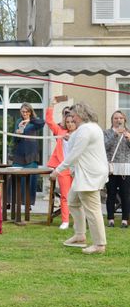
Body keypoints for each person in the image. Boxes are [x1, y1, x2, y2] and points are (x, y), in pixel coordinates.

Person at [50, 102, 108, 254]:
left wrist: (58, 170)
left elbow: (75, 154)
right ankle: (80, 235)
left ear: (81, 114)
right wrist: (69, 136)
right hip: (85, 173)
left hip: (89, 174)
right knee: (73, 201)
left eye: (73, 114)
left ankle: (99, 244)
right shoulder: (88, 128)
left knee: (93, 209)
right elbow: (77, 139)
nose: (71, 117)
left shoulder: (86, 130)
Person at [45, 99, 77, 229]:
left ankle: (79, 221)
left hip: (77, 168)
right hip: (63, 168)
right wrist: (51, 105)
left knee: (79, 196)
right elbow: (49, 121)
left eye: (72, 122)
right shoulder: (60, 132)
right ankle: (65, 221)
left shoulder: (81, 133)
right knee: (65, 195)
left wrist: (73, 139)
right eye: (68, 122)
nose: (70, 124)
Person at [11, 102, 45, 206]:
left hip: (31, 155)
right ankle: (15, 202)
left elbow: (42, 123)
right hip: (19, 154)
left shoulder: (35, 121)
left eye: (26, 111)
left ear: (30, 112)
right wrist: (19, 130)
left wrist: (30, 120)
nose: (24, 113)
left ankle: (28, 204)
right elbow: (15, 139)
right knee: (16, 179)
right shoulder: (18, 121)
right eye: (23, 111)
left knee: (30, 181)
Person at [103, 110, 130, 228]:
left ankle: (125, 219)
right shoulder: (107, 132)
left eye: (120, 118)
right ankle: (110, 219)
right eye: (115, 118)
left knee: (125, 194)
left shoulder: (128, 133)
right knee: (111, 193)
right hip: (111, 167)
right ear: (112, 120)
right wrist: (115, 134)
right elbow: (104, 146)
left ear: (124, 120)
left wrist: (129, 138)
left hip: (125, 167)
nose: (118, 120)